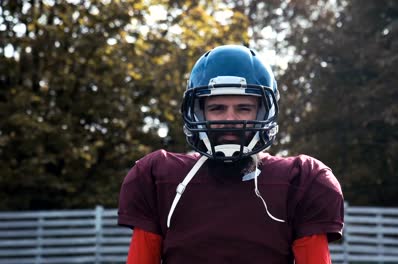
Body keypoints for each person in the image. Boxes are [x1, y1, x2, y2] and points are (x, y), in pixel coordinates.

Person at [118, 44, 344, 264]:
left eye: (243, 108)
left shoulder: (301, 180)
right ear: (199, 113)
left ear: (263, 112)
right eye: (217, 108)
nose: (230, 120)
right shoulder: (159, 176)